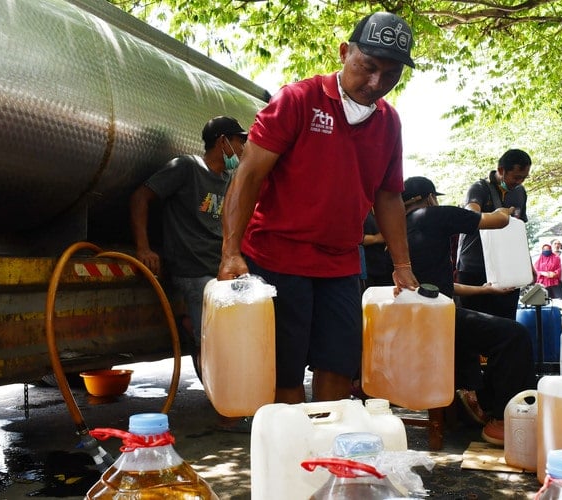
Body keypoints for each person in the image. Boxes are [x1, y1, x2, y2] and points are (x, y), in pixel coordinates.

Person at [216, 12, 419, 405]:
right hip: (277, 257)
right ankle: (291, 454)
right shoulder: (298, 100)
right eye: (368, 67)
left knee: (338, 365)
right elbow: (248, 176)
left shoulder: (389, 123)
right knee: (284, 368)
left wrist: (403, 265)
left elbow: (389, 195)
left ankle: (326, 450)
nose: (377, 83)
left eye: (391, 75)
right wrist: (230, 252)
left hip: (341, 263)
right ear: (345, 53)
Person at [402, 176, 536, 445]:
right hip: (436, 318)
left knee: (471, 335)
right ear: (428, 197)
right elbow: (497, 222)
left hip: (406, 320)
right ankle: (502, 419)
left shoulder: (394, 228)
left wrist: (485, 290)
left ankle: (475, 402)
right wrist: (505, 210)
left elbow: (439, 287)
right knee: (513, 335)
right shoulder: (434, 214)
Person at [130, 115, 247, 376]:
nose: (242, 149)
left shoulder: (227, 179)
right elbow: (141, 197)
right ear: (222, 141)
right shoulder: (186, 167)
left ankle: (192, 327)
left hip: (217, 269)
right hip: (192, 269)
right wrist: (143, 248)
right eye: (240, 141)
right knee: (212, 341)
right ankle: (218, 396)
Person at [456, 149, 532, 319]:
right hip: (476, 268)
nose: (519, 182)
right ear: (501, 170)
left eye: (524, 178)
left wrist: (528, 264)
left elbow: (521, 229)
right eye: (516, 177)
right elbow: (471, 216)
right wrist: (498, 216)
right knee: (477, 323)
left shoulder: (520, 193)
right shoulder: (479, 189)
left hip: (507, 268)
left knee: (506, 323)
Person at [362, 210, 394, 289]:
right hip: (368, 268)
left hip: (381, 264)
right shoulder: (359, 211)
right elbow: (354, 239)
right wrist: (376, 238)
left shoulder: (371, 211)